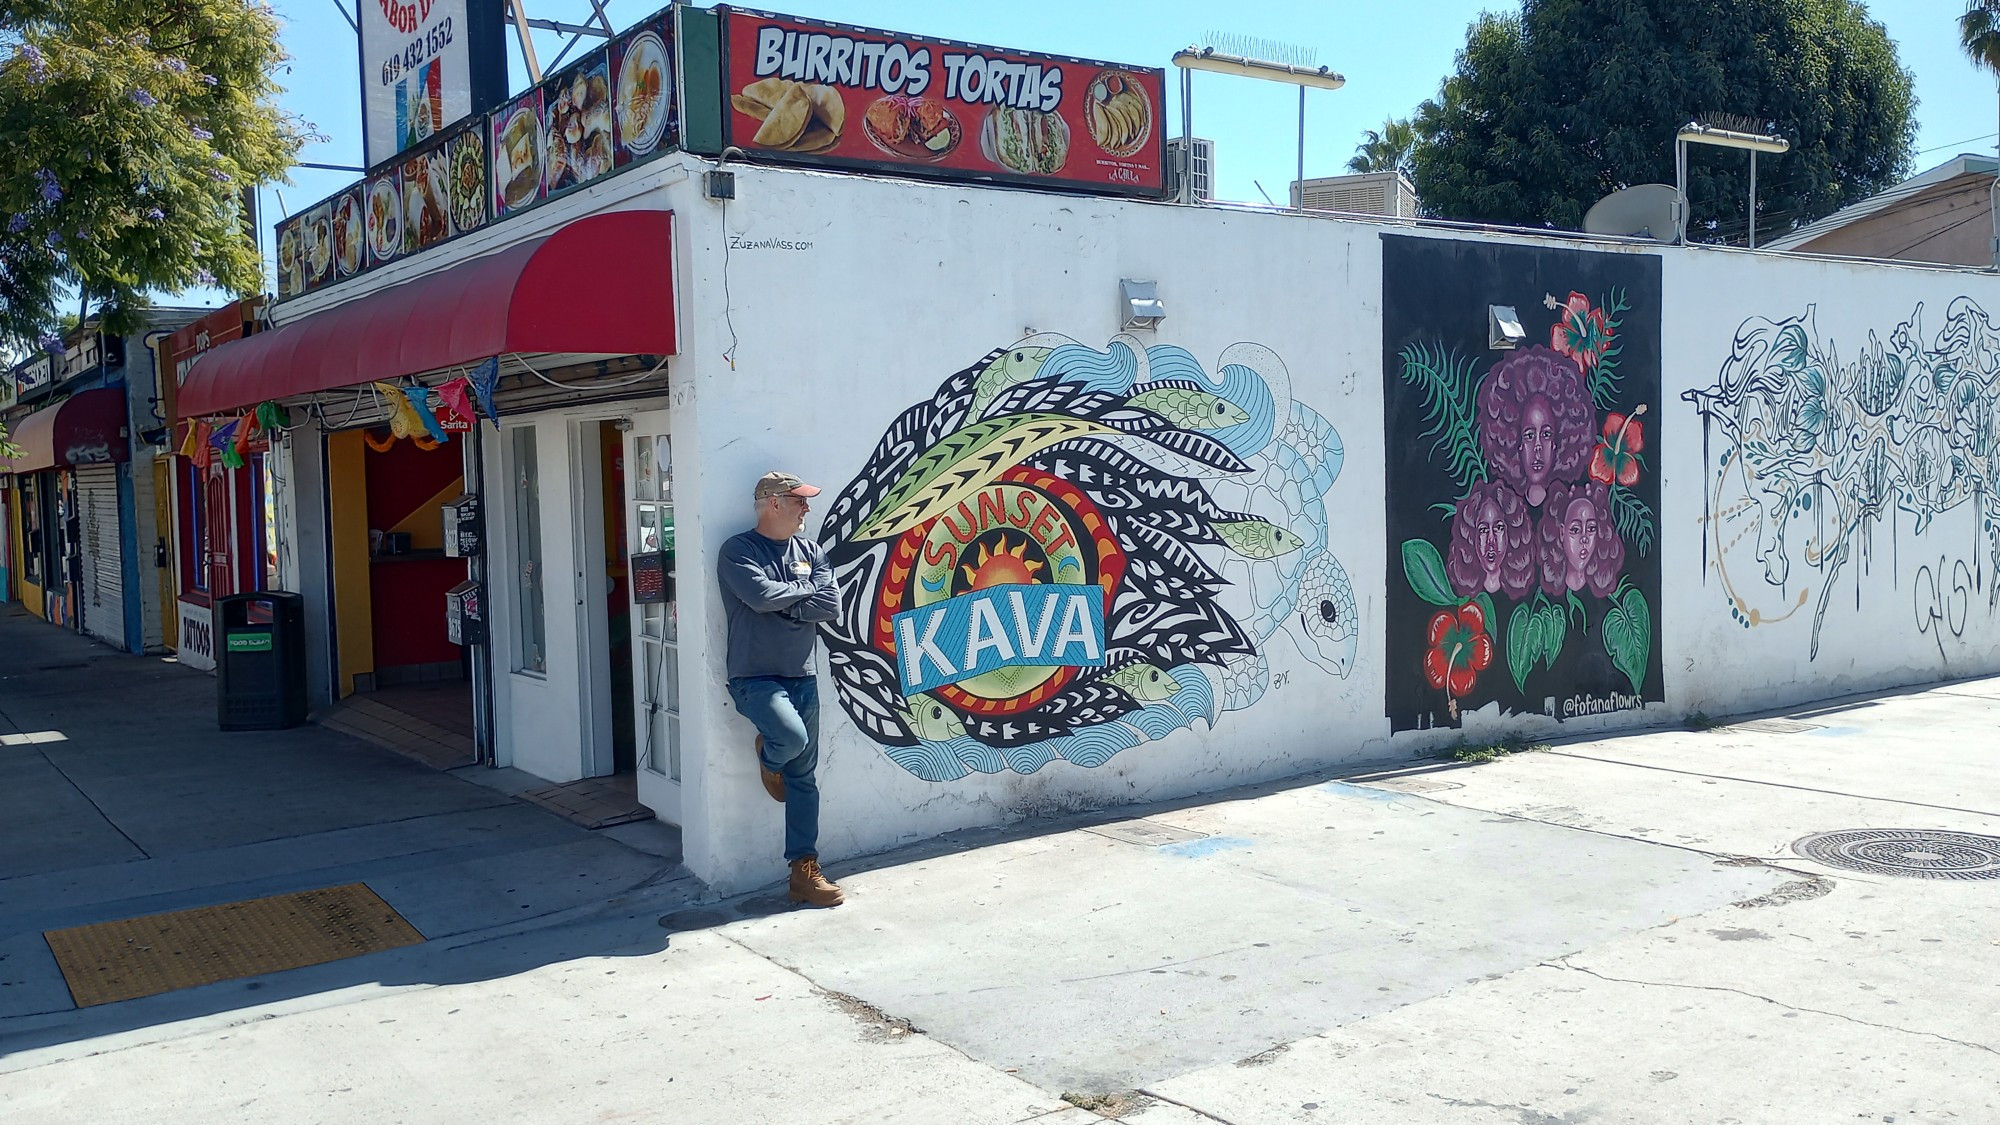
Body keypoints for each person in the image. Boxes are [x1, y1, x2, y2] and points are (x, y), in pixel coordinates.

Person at [718, 470, 845, 908]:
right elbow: (758, 597)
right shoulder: (738, 550)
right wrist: (802, 595)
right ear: (773, 503)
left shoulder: (811, 549)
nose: (807, 508)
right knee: (790, 738)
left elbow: (830, 604)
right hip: (754, 676)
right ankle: (769, 754)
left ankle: (804, 872)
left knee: (804, 778)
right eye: (799, 501)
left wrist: (788, 598)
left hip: (802, 672)